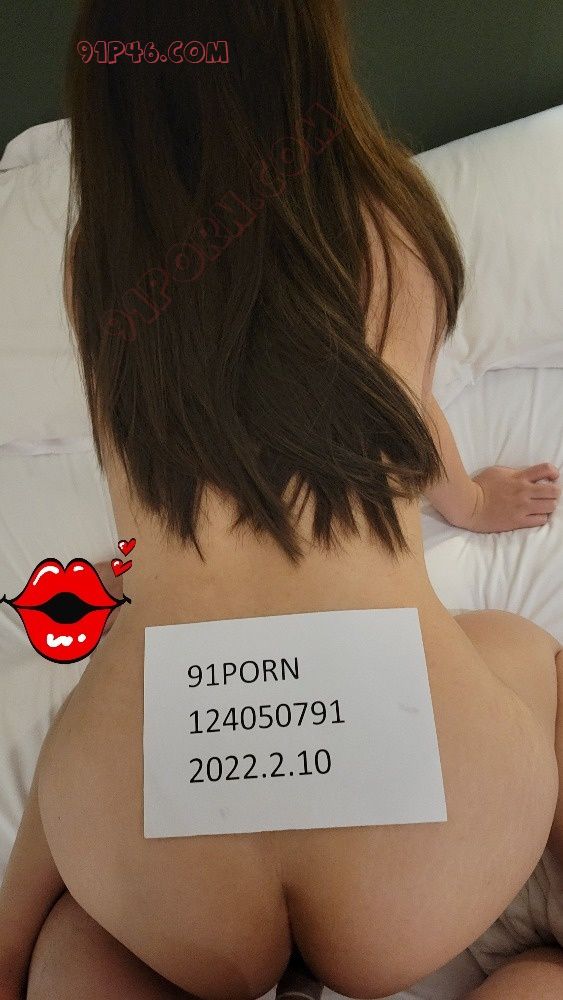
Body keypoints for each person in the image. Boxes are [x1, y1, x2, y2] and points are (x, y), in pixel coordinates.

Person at [1, 2, 562, 999]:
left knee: (72, 928)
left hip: (171, 885)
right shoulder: (386, 223)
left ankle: (10, 958)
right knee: (519, 651)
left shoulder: (102, 267)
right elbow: (407, 411)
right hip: (420, 870)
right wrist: (470, 502)